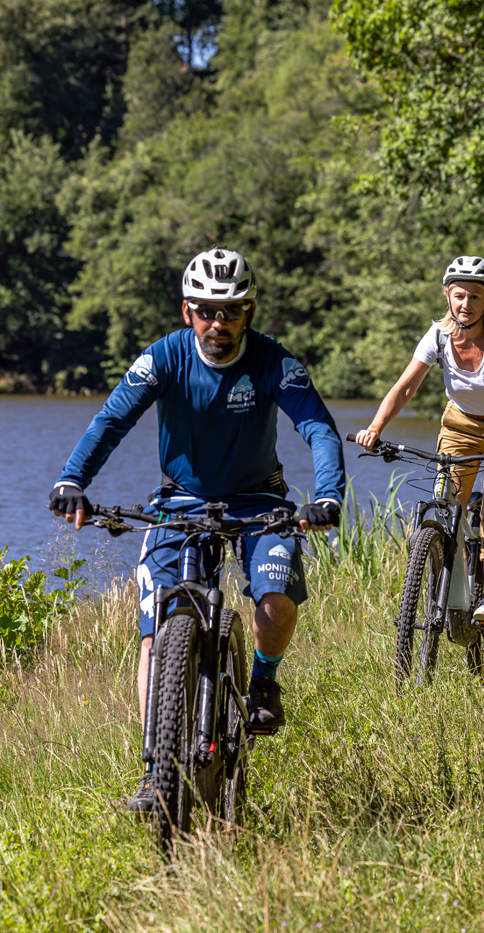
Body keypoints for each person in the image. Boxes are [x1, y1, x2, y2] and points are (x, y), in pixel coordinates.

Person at [49, 247, 346, 810]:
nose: (219, 323)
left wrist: (327, 495)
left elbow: (319, 428)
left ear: (249, 312)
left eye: (231, 311)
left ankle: (263, 679)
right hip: (179, 504)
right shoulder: (162, 358)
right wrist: (71, 480)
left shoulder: (273, 362)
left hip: (261, 501)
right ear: (188, 311)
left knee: (275, 600)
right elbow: (111, 420)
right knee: (155, 631)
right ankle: (153, 770)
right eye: (207, 311)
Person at [354, 256, 484, 625]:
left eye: (475, 296)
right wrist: (375, 427)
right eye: (459, 296)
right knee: (446, 503)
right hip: (460, 425)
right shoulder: (438, 336)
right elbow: (406, 385)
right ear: (447, 296)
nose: (466, 304)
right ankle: (449, 587)